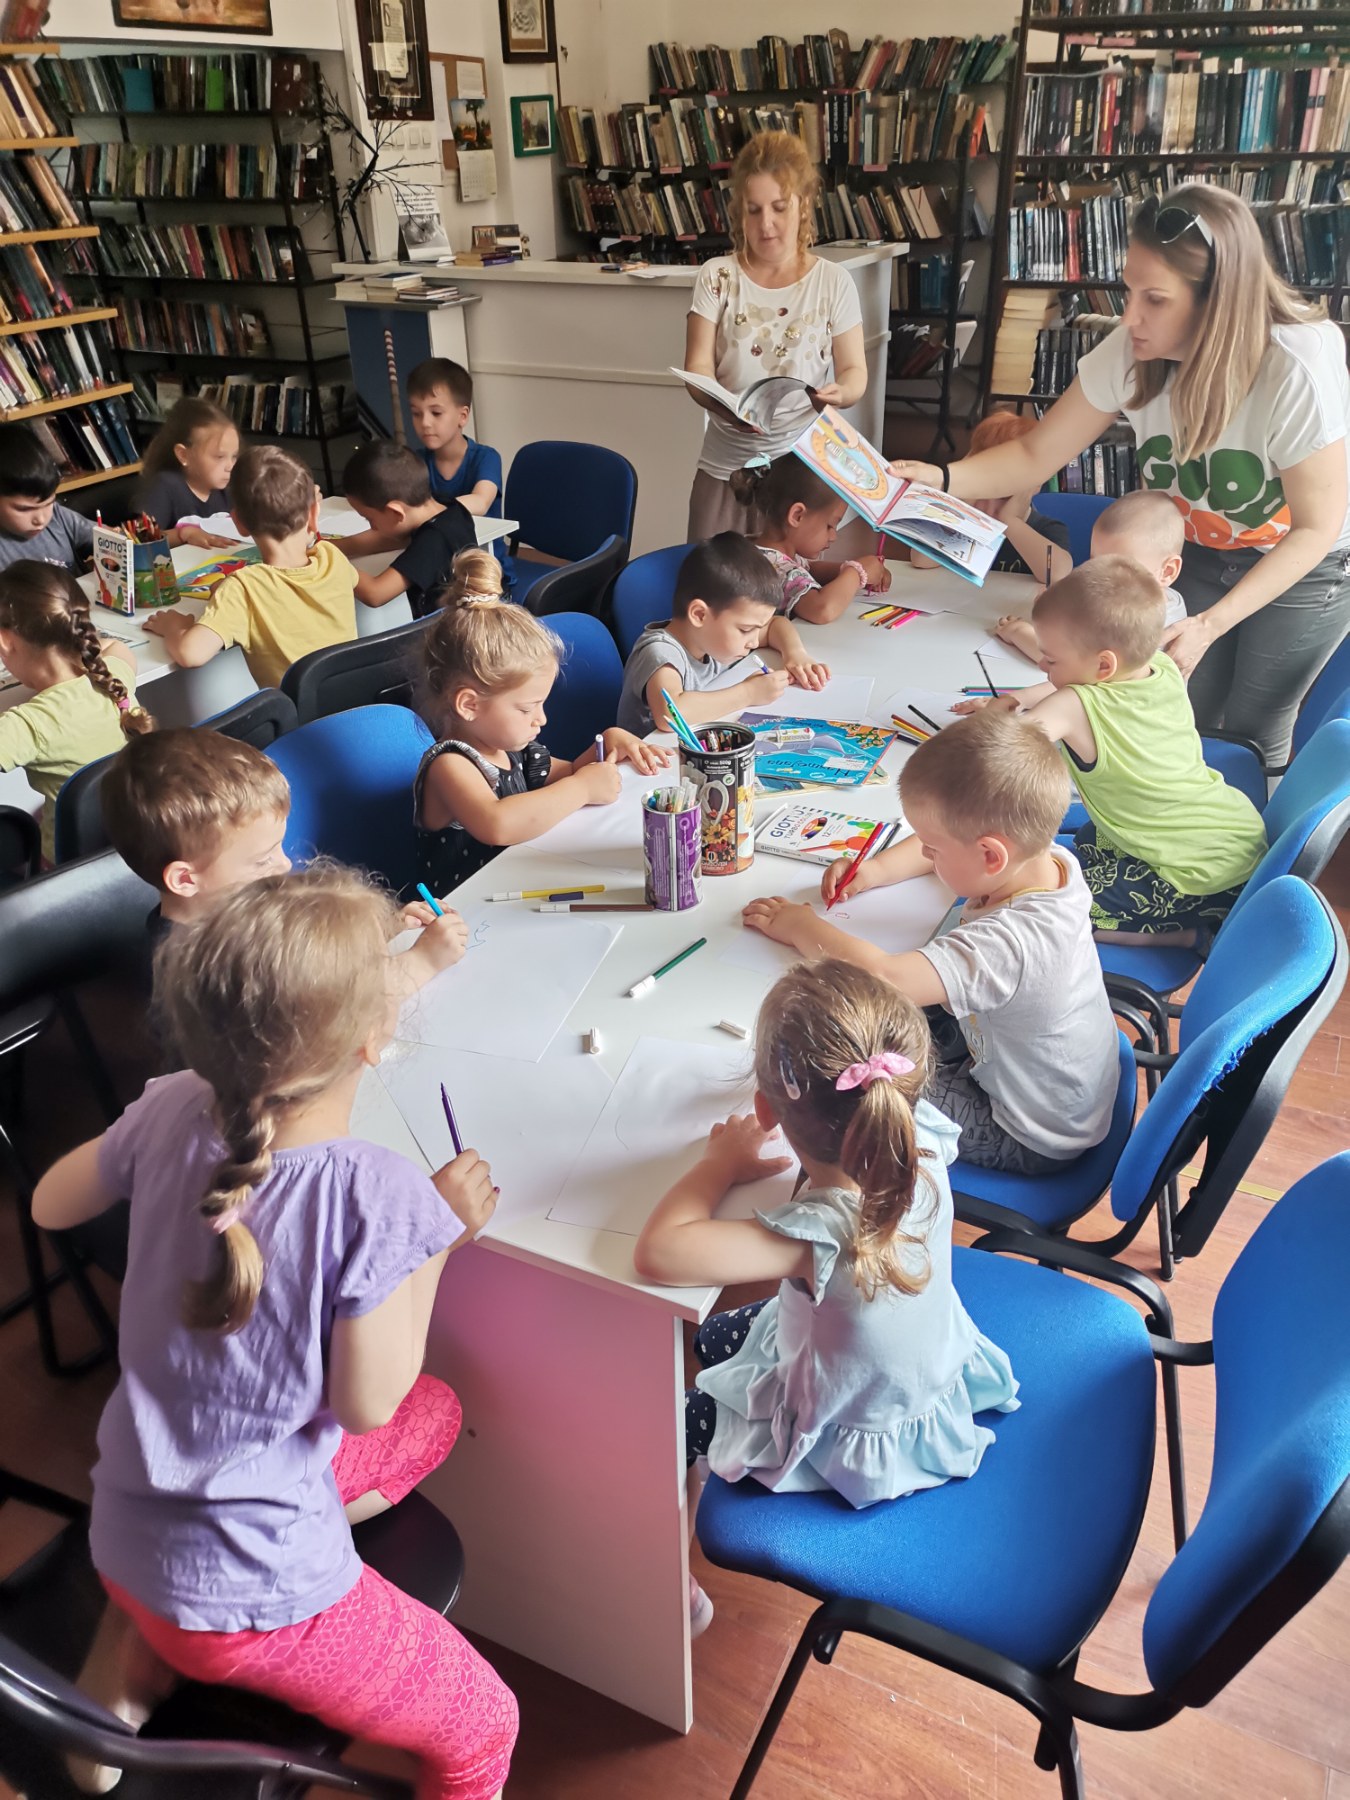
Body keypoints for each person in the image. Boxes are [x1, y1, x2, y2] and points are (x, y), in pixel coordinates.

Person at [32, 866, 518, 1800]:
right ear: (375, 1039)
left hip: (126, 1527)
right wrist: (440, 1241)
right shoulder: (374, 1193)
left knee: (437, 1414)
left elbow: (52, 1203)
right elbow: (366, 1401)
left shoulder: (169, 1102)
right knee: (486, 1723)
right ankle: (176, 1640)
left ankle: (137, 1655)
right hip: (253, 1598)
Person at [892, 187, 1350, 763]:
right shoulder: (1132, 349)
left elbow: (1315, 527)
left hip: (1304, 562)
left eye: (1154, 298)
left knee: (1256, 723)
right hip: (1200, 547)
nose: (1129, 316)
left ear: (1220, 299)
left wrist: (1211, 624)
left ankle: (1250, 818)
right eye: (1129, 290)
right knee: (1180, 705)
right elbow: (1035, 453)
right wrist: (939, 476)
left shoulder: (1296, 362)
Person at [634, 958, 1019, 1633]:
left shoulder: (816, 1235)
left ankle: (672, 1586)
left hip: (858, 1423)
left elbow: (659, 1251)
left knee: (674, 1418)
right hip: (924, 1369)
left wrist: (719, 1164)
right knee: (716, 1336)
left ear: (764, 1110)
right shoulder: (919, 1139)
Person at [741, 711, 1119, 1174]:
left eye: (932, 848)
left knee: (849, 1084)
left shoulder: (1012, 942)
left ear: (991, 855)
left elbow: (885, 976)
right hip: (1052, 1084)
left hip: (1024, 1131)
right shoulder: (1045, 860)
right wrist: (875, 871)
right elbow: (959, 843)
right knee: (877, 1030)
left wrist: (799, 925)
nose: (925, 853)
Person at [965, 557, 1267, 942]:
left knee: (1045, 910)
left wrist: (991, 721)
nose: (1042, 665)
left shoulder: (1073, 705)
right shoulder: (1160, 665)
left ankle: (1187, 938)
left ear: (1104, 666)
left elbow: (1000, 754)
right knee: (1081, 844)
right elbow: (1069, 687)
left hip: (1194, 876)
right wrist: (1019, 698)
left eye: (1051, 659)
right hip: (1232, 837)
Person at [101, 727, 467, 981]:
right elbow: (329, 1021)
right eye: (262, 859)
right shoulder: (202, 973)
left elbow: (316, 959)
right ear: (185, 879)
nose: (285, 864)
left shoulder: (241, 907)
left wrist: (388, 930)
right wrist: (421, 963)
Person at [682, 130, 868, 541]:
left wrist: (841, 393)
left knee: (791, 580)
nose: (765, 224)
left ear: (804, 204)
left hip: (799, 473)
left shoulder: (833, 282)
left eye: (779, 208)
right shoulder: (717, 276)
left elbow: (855, 371)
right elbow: (697, 368)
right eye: (753, 210)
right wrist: (724, 405)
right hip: (725, 471)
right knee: (714, 578)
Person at [414, 594, 667, 893]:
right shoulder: (449, 764)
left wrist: (608, 743)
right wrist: (583, 788)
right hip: (467, 909)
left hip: (518, 885)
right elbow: (497, 823)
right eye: (526, 709)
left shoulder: (512, 749)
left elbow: (569, 772)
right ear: (470, 705)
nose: (541, 719)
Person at [145, 446, 359, 689]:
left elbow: (190, 654)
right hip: (356, 700)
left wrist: (175, 627)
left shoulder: (243, 589)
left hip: (300, 714)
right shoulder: (332, 558)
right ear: (314, 513)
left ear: (238, 523)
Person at [0, 560, 154, 861]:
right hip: (132, 843)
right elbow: (115, 647)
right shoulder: (114, 678)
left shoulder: (28, 725)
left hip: (66, 863)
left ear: (5, 642)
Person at [617, 533, 826, 737]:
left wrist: (795, 654)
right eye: (746, 630)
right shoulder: (660, 652)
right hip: (647, 755)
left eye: (757, 628)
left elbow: (774, 625)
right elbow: (670, 715)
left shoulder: (710, 637)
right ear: (699, 615)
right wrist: (749, 693)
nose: (754, 641)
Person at [338, 360, 511, 589]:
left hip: (486, 576)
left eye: (436, 413)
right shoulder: (414, 462)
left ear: (463, 416)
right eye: (416, 414)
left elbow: (480, 501)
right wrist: (337, 547)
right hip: (436, 569)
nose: (425, 423)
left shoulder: (485, 457)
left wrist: (429, 515)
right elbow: (402, 527)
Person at [996, 487, 1185, 662]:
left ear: (1168, 571)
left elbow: (1064, 661)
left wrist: (1018, 632)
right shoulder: (1144, 597)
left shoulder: (1136, 622)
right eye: (1095, 560)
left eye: (1120, 568)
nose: (1101, 575)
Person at [912, 411, 1072, 586]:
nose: (989, 504)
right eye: (984, 490)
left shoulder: (1046, 529)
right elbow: (921, 560)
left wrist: (1010, 520)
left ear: (1034, 486)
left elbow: (1057, 574)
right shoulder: (966, 523)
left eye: (1003, 496)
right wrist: (963, 506)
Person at [731, 454, 891, 624]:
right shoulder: (771, 570)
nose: (833, 537)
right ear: (797, 516)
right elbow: (822, 609)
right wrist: (857, 572)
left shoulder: (756, 549)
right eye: (830, 526)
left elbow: (809, 569)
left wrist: (855, 571)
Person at [341, 440, 477, 617]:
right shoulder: (443, 507)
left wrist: (331, 562)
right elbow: (390, 539)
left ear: (396, 512)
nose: (372, 527)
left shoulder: (434, 541)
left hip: (454, 628)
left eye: (369, 518)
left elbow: (375, 593)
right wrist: (333, 545)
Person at [133, 397, 241, 549]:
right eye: (219, 457)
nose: (230, 466)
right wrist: (182, 534)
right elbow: (140, 538)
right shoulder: (165, 486)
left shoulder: (226, 489)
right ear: (184, 455)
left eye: (234, 456)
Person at [0, 422, 94, 573]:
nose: (41, 519)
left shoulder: (58, 517)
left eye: (49, 503)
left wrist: (117, 541)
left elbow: (108, 539)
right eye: (24, 509)